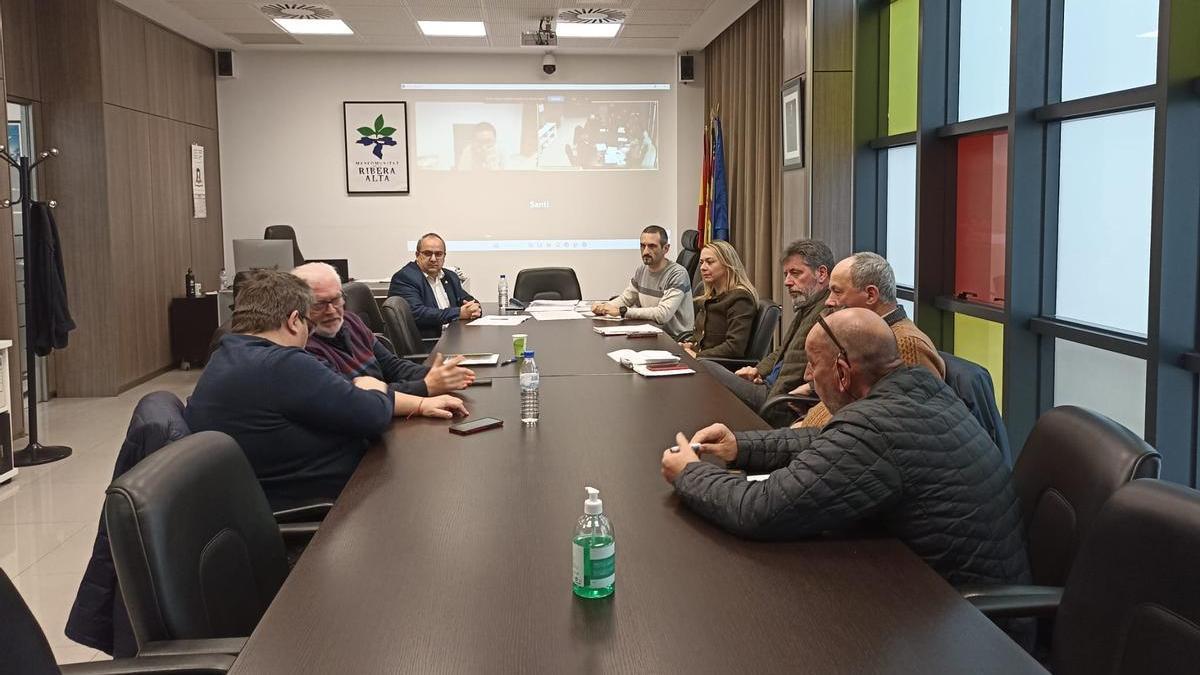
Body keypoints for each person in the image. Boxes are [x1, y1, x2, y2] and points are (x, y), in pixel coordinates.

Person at [660, 308, 1030, 588]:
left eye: (812, 366)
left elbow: (761, 509)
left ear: (842, 372)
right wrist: (740, 445)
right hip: (940, 591)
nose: (806, 377)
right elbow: (824, 440)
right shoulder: (918, 387)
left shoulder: (876, 427)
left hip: (969, 629)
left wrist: (691, 473)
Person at [185, 270, 468, 510]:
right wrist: (375, 390)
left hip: (269, 494)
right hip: (327, 503)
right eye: (308, 322)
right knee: (442, 487)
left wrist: (386, 396)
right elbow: (372, 416)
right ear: (294, 320)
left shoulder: (226, 355)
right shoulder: (283, 364)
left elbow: (349, 401)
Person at [796, 251, 945, 428]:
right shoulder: (856, 335)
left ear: (871, 295)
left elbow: (905, 423)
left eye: (837, 291)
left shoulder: (908, 345)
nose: (829, 301)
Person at [697, 239, 833, 426]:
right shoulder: (807, 307)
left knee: (704, 365)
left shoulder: (828, 313)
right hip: (768, 386)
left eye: (795, 273)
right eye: (786, 274)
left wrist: (806, 388)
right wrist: (757, 370)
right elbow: (781, 352)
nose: (787, 282)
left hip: (777, 401)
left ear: (822, 273)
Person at [293, 263, 475, 396]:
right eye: (320, 304)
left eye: (336, 299)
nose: (332, 310)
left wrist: (439, 375)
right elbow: (352, 398)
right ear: (298, 306)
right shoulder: (303, 349)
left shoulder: (351, 321)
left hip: (388, 405)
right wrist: (425, 386)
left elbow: (392, 366)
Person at [591, 226, 694, 338]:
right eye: (642, 246)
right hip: (650, 332)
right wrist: (604, 307)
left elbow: (662, 314)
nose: (645, 251)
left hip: (673, 339)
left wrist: (622, 311)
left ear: (666, 248)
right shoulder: (642, 270)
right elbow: (626, 299)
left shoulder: (677, 274)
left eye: (652, 246)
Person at [388, 232, 481, 338]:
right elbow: (418, 314)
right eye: (427, 253)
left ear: (444, 256)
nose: (433, 259)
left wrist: (474, 307)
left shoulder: (450, 276)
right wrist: (459, 313)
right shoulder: (405, 278)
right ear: (417, 255)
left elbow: (466, 298)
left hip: (453, 337)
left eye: (438, 254)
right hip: (430, 344)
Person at [681, 240, 757, 359]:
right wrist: (690, 345)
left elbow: (734, 348)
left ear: (727, 263)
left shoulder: (740, 298)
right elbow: (702, 335)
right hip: (703, 361)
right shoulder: (708, 294)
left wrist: (697, 355)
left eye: (710, 262)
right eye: (701, 263)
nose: (703, 268)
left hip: (717, 367)